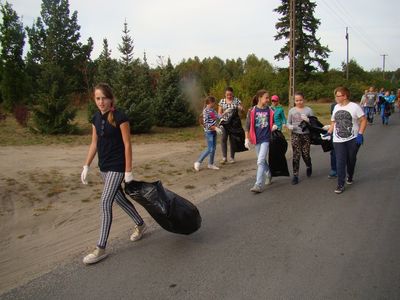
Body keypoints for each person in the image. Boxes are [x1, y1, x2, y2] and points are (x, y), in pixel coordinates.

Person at [80, 83, 145, 265]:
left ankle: (100, 248)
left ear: (111, 99)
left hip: (117, 166)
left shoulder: (120, 117)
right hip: (104, 166)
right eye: (98, 98)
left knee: (105, 201)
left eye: (104, 98)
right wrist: (86, 165)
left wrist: (128, 170)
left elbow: (127, 144)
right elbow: (94, 143)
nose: (101, 102)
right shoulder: (95, 118)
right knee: (119, 199)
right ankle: (140, 224)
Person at [327, 86, 367, 194]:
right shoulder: (336, 107)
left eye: (337, 96)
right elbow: (333, 122)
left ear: (344, 96)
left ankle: (350, 175)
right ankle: (340, 184)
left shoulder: (355, 107)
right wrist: (329, 132)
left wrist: (360, 134)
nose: (336, 98)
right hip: (338, 140)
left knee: (351, 159)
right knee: (340, 161)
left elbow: (363, 120)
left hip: (353, 139)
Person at [244, 89, 277, 193]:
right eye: (266, 98)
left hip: (266, 138)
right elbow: (247, 126)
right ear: (260, 98)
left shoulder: (270, 110)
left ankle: (257, 185)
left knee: (260, 161)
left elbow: (274, 122)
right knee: (261, 160)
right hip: (256, 139)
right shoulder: (252, 111)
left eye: (268, 97)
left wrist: (275, 126)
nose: (268, 100)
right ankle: (269, 173)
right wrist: (246, 138)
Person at [286, 92, 314, 185]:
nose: (299, 102)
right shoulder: (292, 111)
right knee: (296, 155)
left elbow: (314, 124)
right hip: (295, 134)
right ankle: (295, 175)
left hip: (306, 135)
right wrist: (289, 126)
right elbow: (288, 122)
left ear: (304, 100)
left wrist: (308, 120)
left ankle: (309, 165)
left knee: (305, 154)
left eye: (300, 100)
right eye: (297, 100)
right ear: (294, 101)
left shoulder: (308, 110)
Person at [194, 96, 222, 171]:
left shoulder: (212, 110)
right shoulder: (206, 111)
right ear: (210, 103)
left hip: (214, 132)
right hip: (209, 132)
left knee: (213, 148)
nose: (214, 104)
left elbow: (218, 117)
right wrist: (215, 128)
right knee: (210, 149)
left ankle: (211, 164)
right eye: (214, 102)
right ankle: (198, 162)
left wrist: (226, 113)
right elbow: (206, 124)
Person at [218, 87, 243, 164]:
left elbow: (243, 110)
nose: (229, 96)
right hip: (224, 123)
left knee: (232, 140)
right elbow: (219, 114)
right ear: (225, 94)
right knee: (223, 139)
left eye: (230, 94)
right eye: (227, 95)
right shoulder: (222, 101)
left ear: (233, 94)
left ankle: (232, 157)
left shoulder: (237, 100)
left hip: (234, 124)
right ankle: (224, 157)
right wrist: (224, 113)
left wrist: (239, 108)